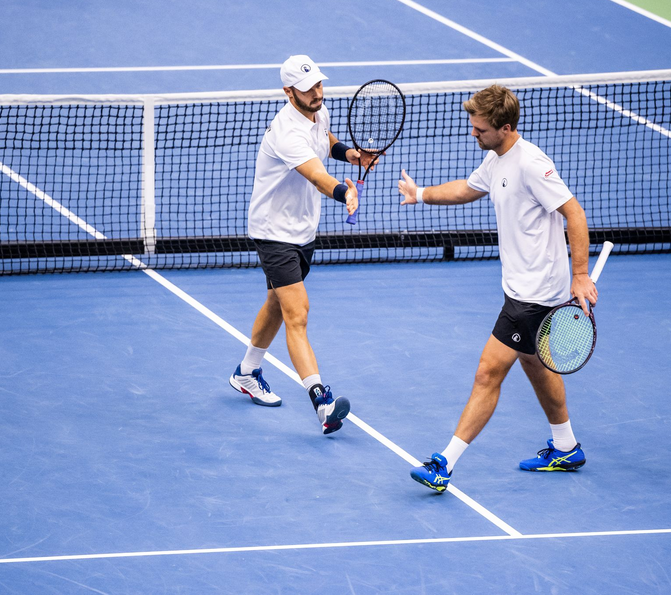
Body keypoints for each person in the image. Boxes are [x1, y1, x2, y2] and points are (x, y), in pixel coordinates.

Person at [399, 85, 598, 491]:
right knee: (534, 363)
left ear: (505, 128)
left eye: (480, 129)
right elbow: (467, 189)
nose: (473, 133)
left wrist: (580, 274)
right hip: (520, 288)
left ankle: (443, 464)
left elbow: (574, 214)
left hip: (535, 295)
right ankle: (566, 446)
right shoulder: (496, 158)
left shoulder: (532, 164)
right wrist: (420, 194)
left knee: (487, 373)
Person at [229, 54, 375, 435]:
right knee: (298, 312)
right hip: (274, 232)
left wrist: (350, 154)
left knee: (276, 304)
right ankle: (322, 403)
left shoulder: (318, 112)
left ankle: (246, 371)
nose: (317, 93)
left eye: (319, 85)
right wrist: (344, 192)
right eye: (308, 89)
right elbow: (315, 174)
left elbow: (325, 141)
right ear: (288, 91)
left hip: (302, 231)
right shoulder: (286, 133)